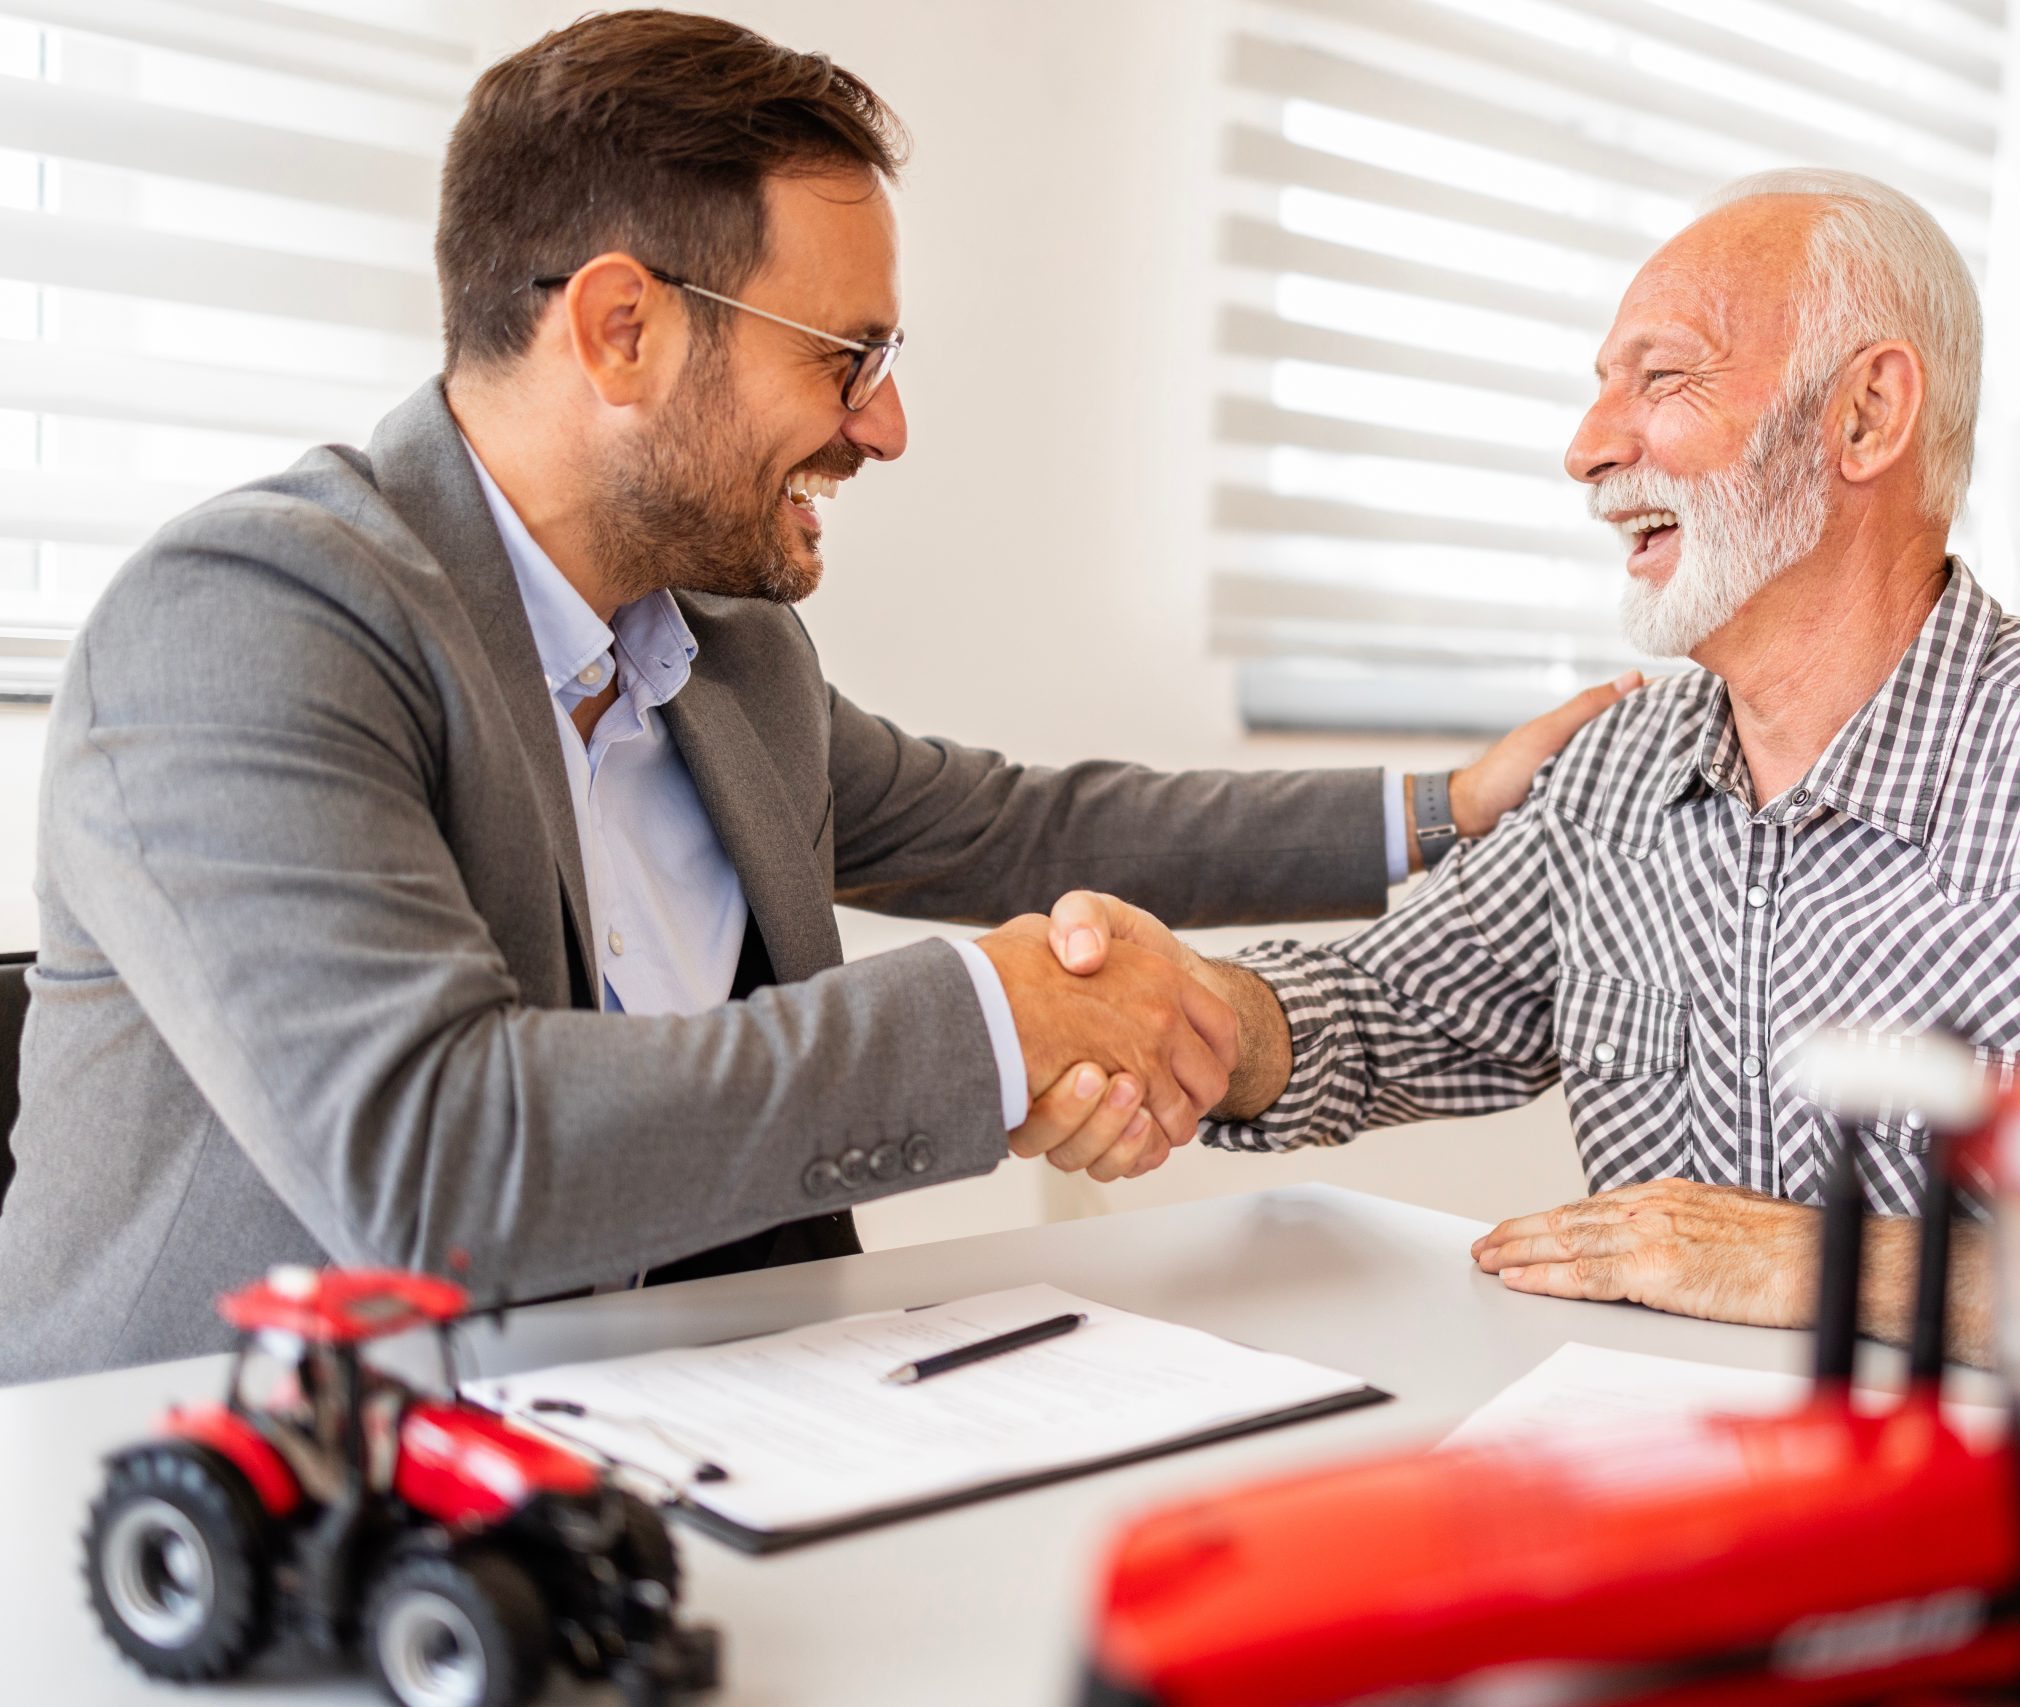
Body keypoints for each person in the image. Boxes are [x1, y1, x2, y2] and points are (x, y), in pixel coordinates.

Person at [0, 10, 1625, 1383]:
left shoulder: (726, 654)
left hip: (677, 1451)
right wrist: (997, 1020)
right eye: (841, 356)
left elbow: (1015, 821)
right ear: (622, 330)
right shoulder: (249, 623)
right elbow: (441, 1159)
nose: (888, 423)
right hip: (213, 1521)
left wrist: (1441, 812)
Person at [1022, 168, 2020, 1368]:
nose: (1585, 449)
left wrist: (1833, 1267)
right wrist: (1183, 1012)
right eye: (1597, 389)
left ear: (1866, 418)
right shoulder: (1620, 770)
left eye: (1661, 377)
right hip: (1672, 1524)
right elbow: (1388, 1013)